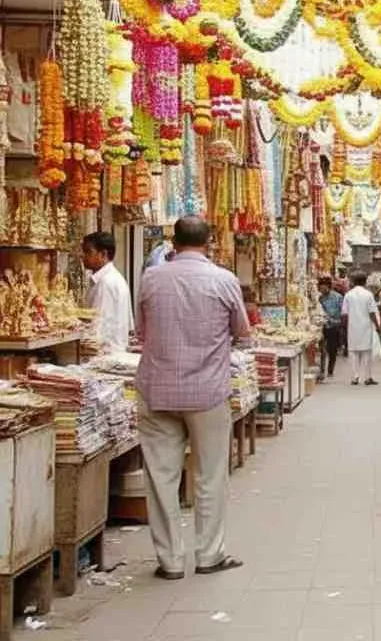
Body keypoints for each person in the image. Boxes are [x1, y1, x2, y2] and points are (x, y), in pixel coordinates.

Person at [135, 216, 250, 580]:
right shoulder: (224, 280)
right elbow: (242, 333)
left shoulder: (150, 279)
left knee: (161, 477)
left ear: (173, 241)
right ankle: (208, 554)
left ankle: (169, 560)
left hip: (158, 388)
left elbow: (142, 331)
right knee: (211, 475)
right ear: (210, 241)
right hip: (207, 391)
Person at [80, 231, 133, 353]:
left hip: (104, 354)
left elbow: (97, 329)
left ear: (103, 254)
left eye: (88, 251)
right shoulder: (113, 278)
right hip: (113, 352)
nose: (83, 256)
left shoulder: (106, 283)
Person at [342, 270, 380, 385]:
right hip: (366, 327)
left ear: (353, 281)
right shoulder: (368, 295)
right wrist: (377, 326)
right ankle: (368, 377)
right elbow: (372, 312)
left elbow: (344, 313)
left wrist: (344, 327)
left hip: (352, 327)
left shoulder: (348, 295)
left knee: (353, 352)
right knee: (367, 352)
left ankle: (355, 377)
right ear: (365, 281)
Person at [317, 277, 343, 382]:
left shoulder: (338, 297)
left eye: (324, 288)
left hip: (334, 326)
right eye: (321, 288)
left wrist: (336, 321)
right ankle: (322, 371)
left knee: (332, 350)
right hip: (322, 326)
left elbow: (342, 312)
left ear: (329, 287)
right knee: (322, 350)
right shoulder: (319, 298)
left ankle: (330, 370)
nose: (322, 290)